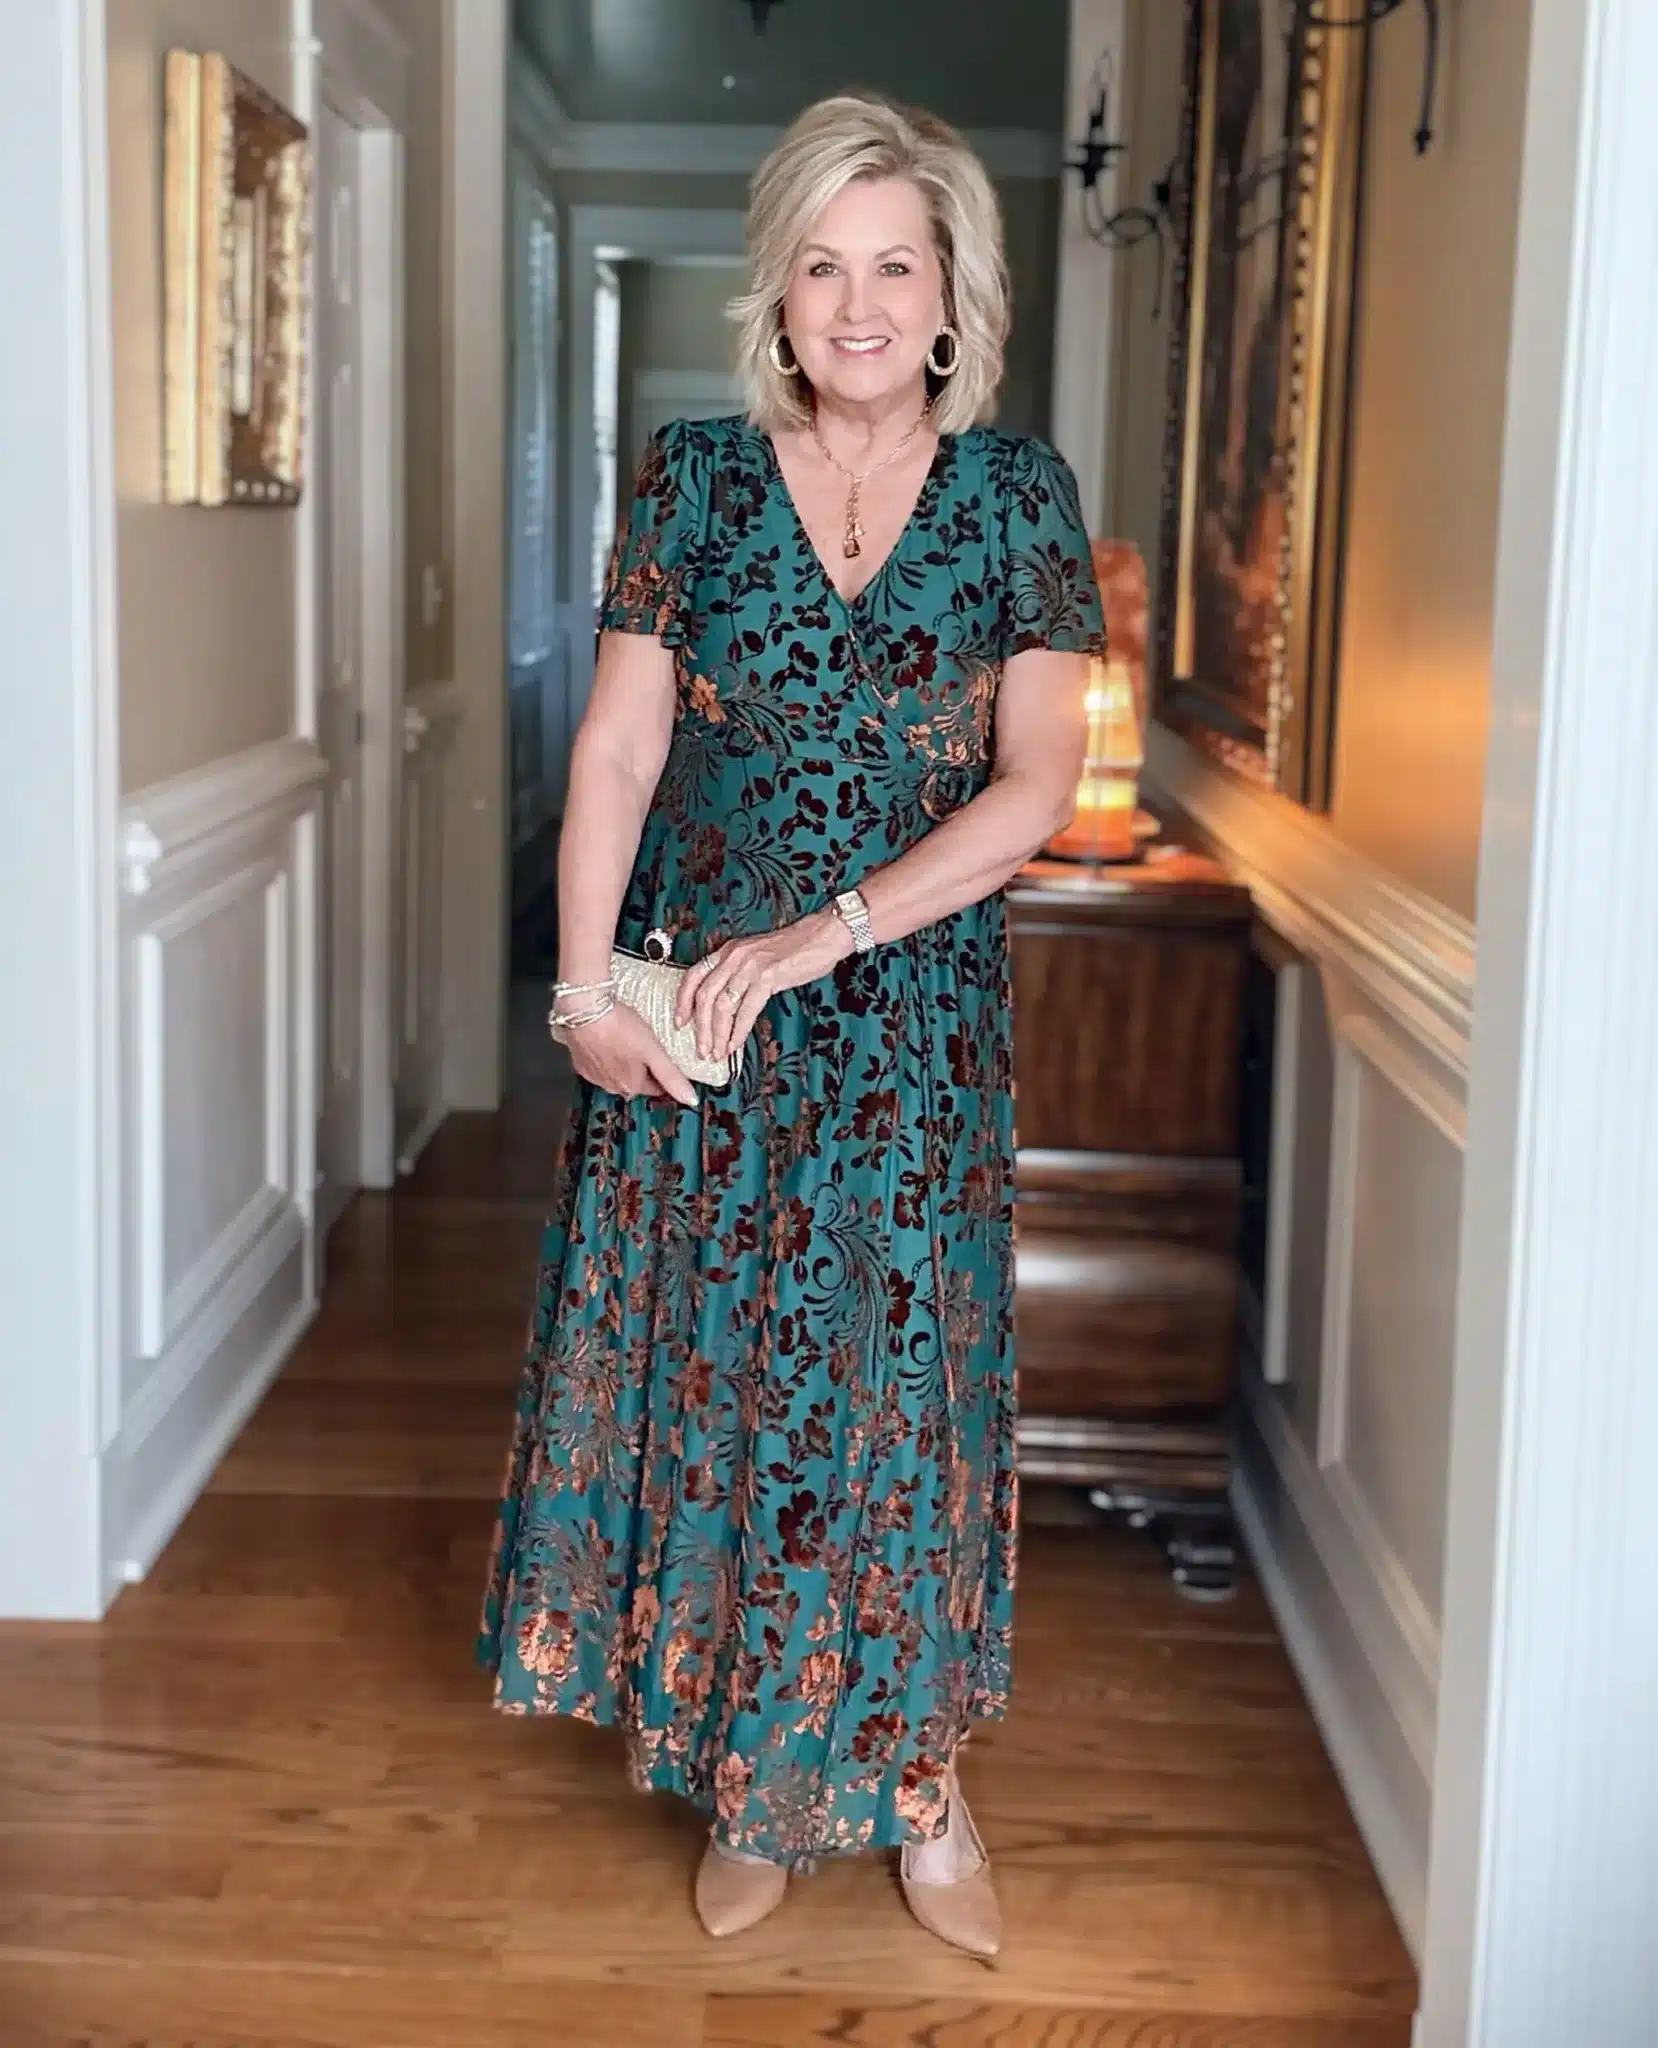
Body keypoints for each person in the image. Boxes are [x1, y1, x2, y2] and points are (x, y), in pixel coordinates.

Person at [477, 90, 1105, 1956]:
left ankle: (923, 1788)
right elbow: (616, 745)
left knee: (901, 1404)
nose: (854, 301)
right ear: (780, 290)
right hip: (703, 1033)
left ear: (947, 295)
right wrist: (582, 989)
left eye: (891, 263)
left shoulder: (1017, 498)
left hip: (905, 1027)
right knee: (733, 1387)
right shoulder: (691, 479)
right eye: (822, 262)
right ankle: (752, 1772)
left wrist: (830, 933)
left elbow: (1034, 788)